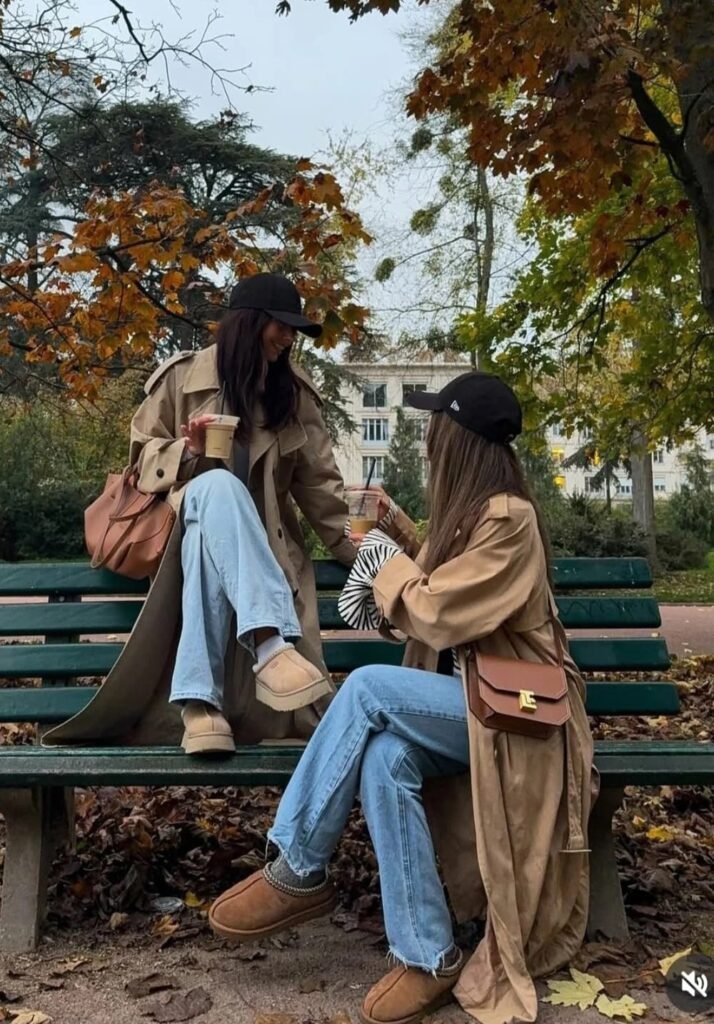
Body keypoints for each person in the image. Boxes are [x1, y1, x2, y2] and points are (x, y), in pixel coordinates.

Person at [207, 372, 596, 1024]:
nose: (425, 442)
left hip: (523, 719)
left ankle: (297, 863)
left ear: (457, 441)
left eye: (433, 429)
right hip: (474, 706)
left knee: (365, 690)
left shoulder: (511, 520)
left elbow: (440, 613)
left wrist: (385, 553)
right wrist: (404, 535)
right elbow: (450, 587)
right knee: (387, 757)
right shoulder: (473, 520)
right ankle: (428, 954)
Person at [43, 273, 358, 754]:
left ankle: (198, 706)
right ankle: (272, 644)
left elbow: (324, 493)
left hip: (252, 563)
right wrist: (186, 453)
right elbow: (138, 466)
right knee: (215, 486)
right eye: (281, 326)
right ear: (249, 323)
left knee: (211, 529)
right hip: (179, 550)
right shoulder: (180, 380)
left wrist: (373, 557)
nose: (289, 339)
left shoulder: (292, 397)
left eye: (294, 330)